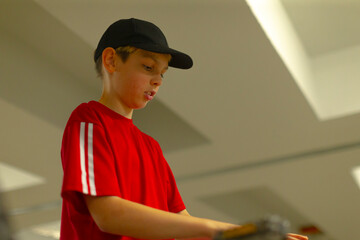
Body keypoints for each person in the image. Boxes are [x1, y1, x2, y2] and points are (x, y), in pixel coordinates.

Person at [59, 18, 307, 240]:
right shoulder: (89, 121)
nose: (157, 80)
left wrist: (248, 235)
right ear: (111, 60)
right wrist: (222, 230)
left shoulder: (151, 148)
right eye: (148, 67)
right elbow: (108, 215)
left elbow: (184, 222)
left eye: (163, 74)